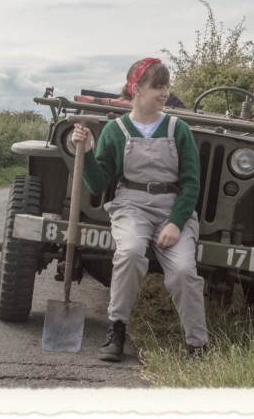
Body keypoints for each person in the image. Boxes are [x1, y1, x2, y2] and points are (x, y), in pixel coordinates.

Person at [72, 58, 208, 362]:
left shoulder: (178, 129)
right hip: (131, 206)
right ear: (136, 89)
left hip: (173, 208)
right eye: (158, 86)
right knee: (131, 252)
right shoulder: (115, 130)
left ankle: (198, 345)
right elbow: (98, 183)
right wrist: (88, 150)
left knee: (184, 270)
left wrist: (176, 223)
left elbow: (191, 183)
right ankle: (116, 330)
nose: (165, 93)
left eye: (166, 86)